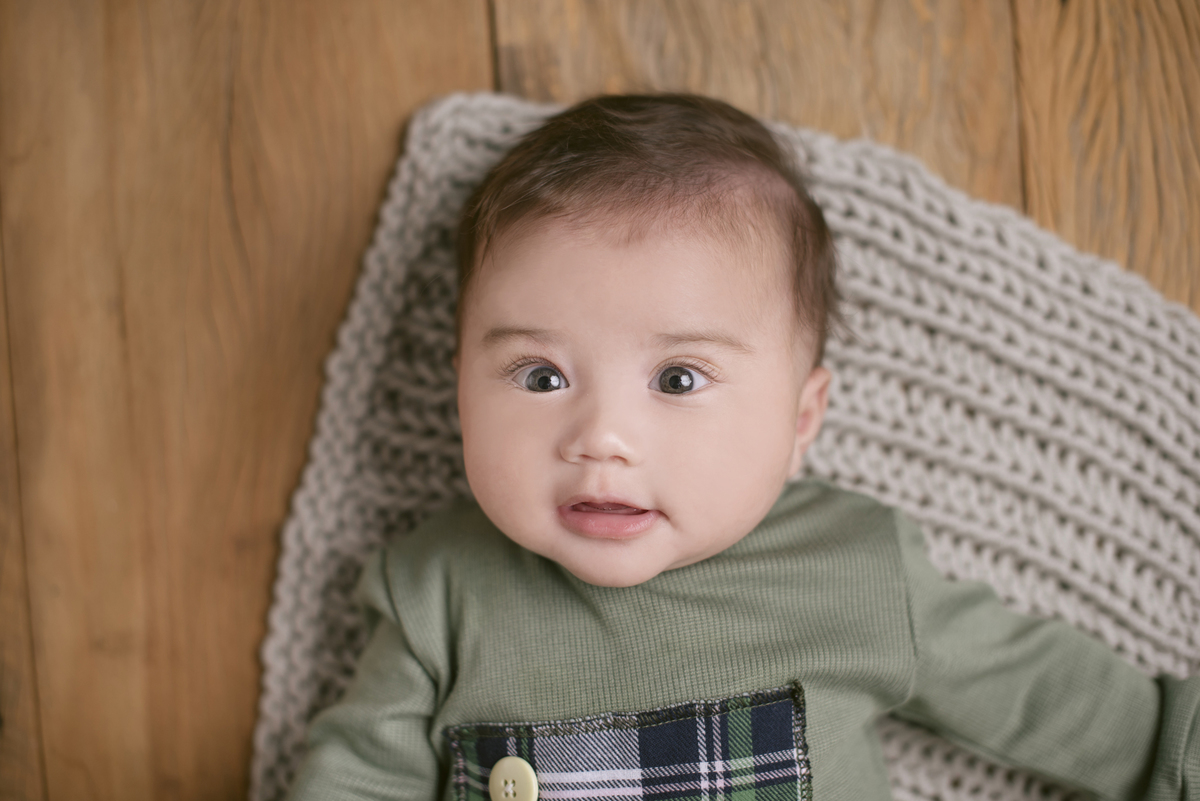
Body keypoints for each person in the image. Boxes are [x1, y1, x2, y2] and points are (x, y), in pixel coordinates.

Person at [285, 94, 1197, 801]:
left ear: (802, 420)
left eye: (679, 379)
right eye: (539, 375)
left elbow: (1069, 704)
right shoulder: (438, 587)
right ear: (457, 388)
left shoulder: (850, 567)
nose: (600, 437)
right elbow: (357, 773)